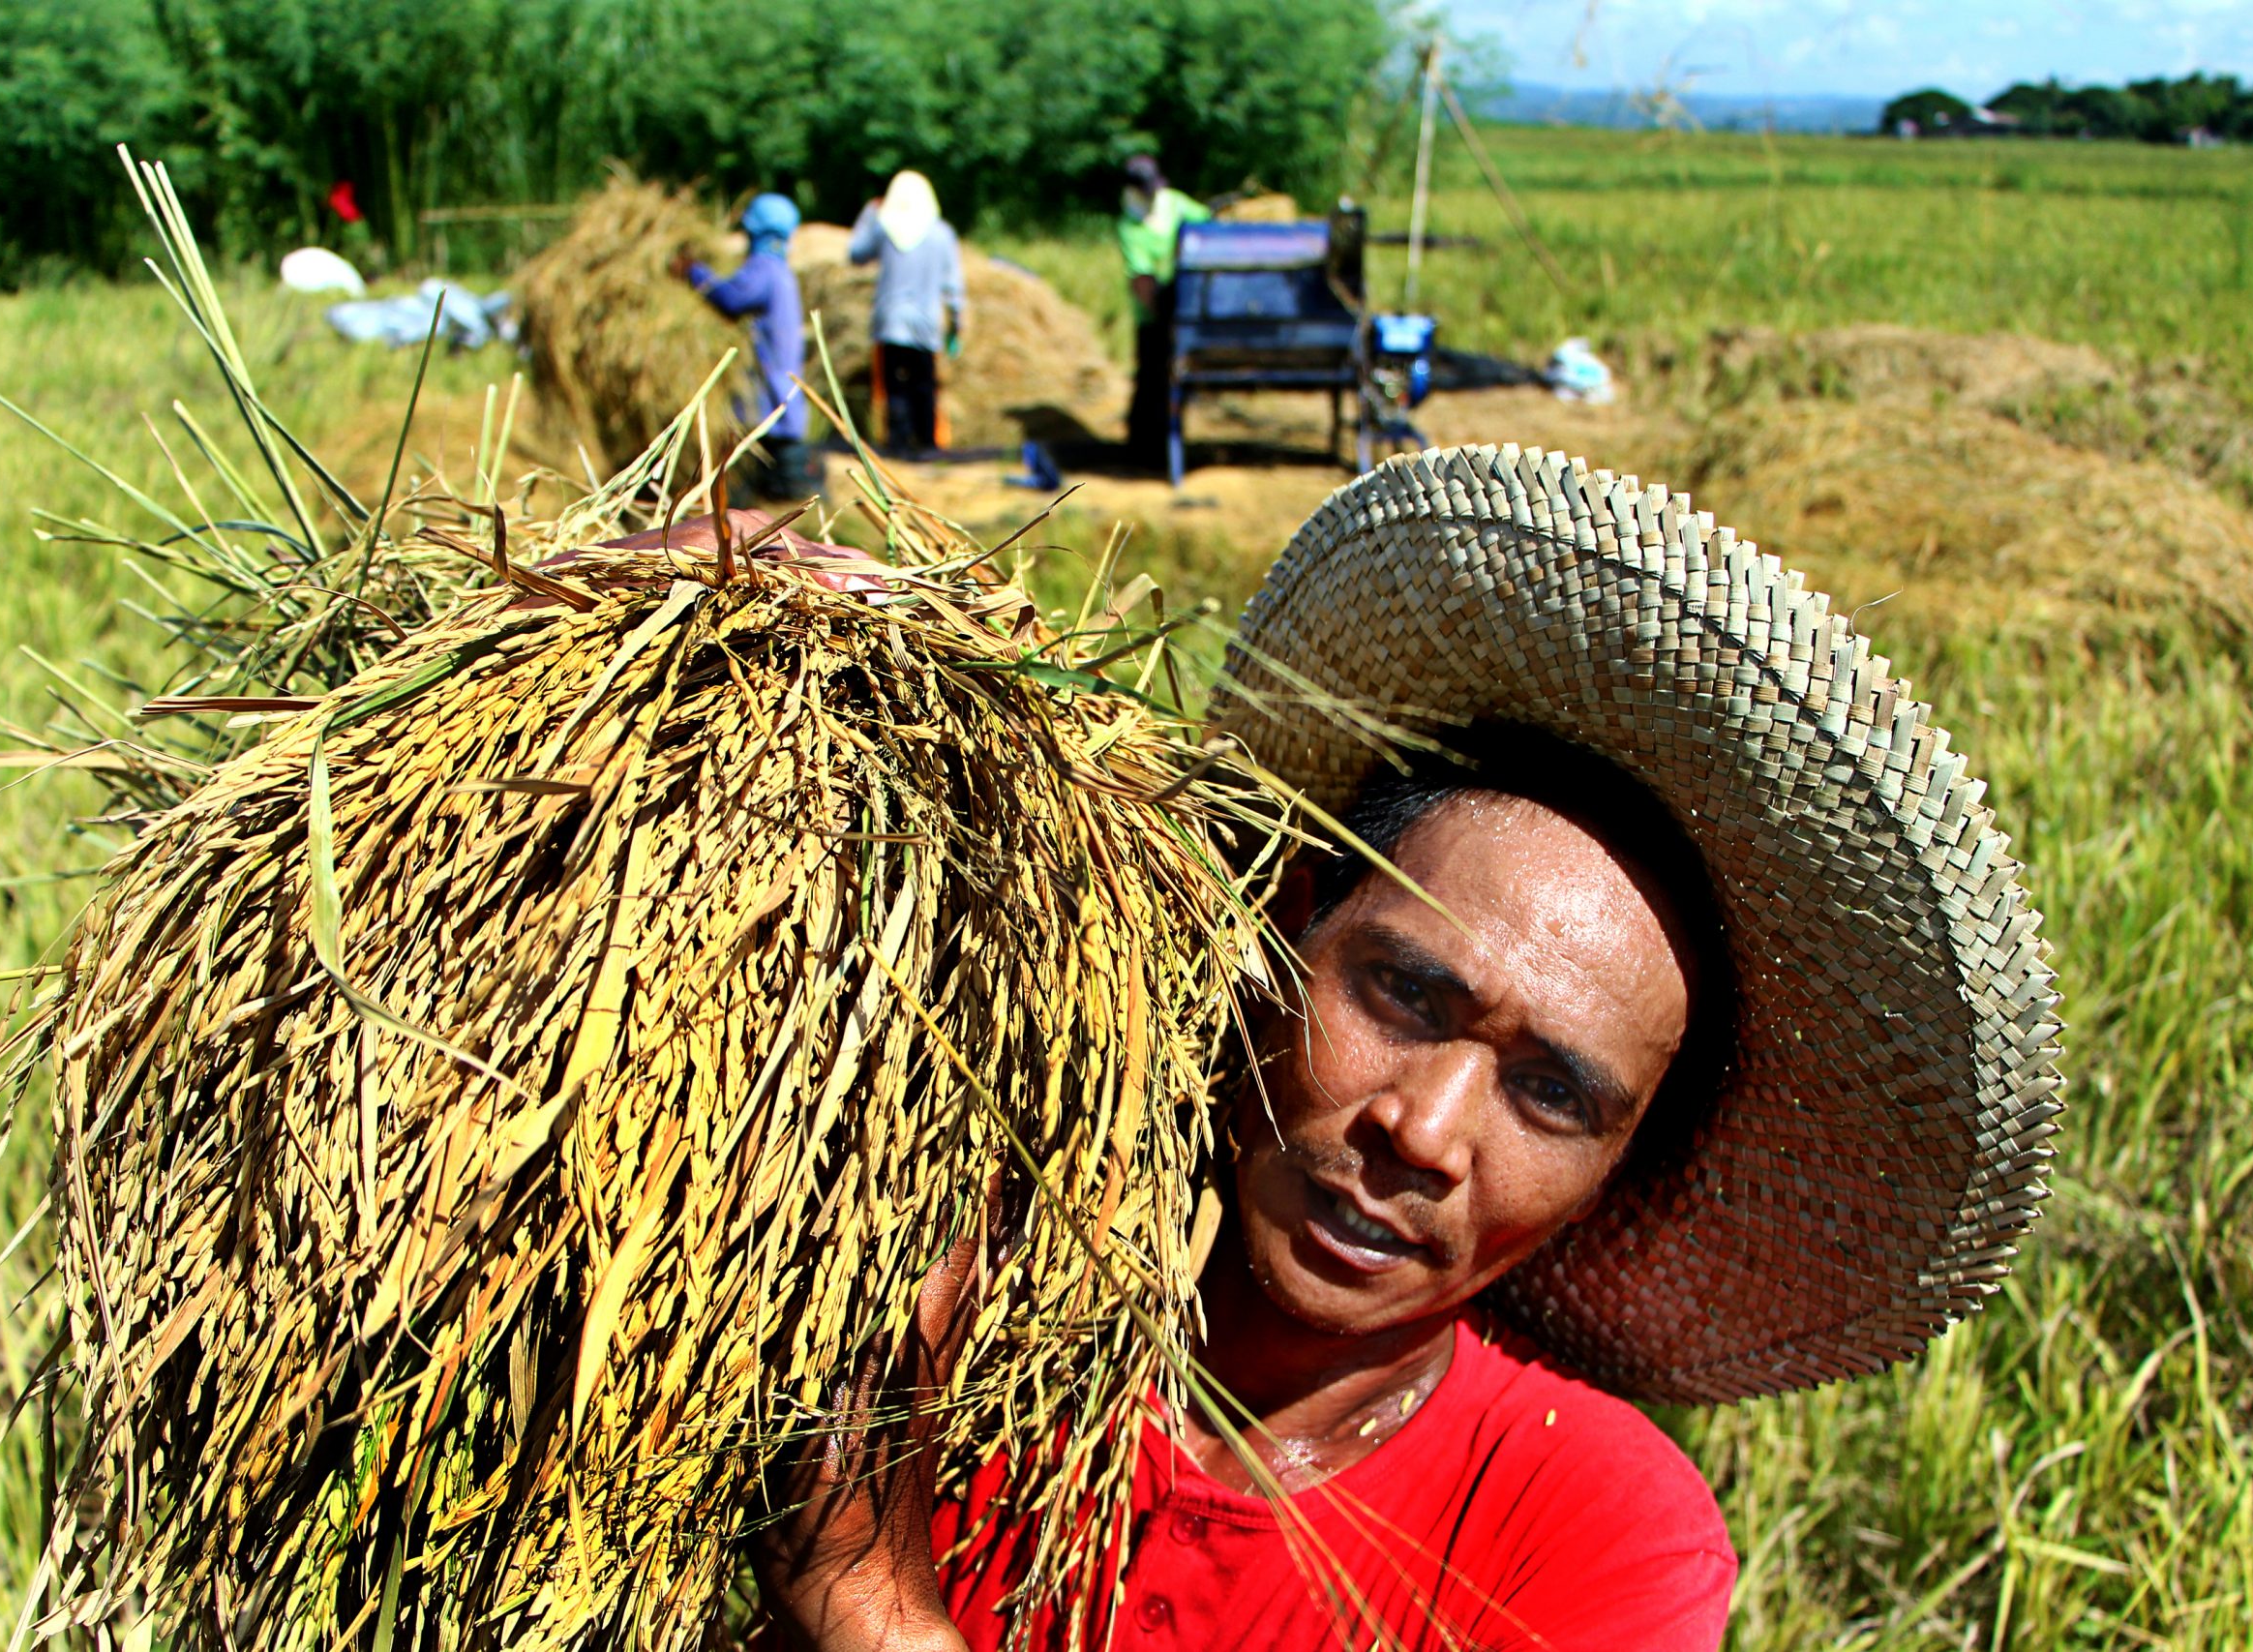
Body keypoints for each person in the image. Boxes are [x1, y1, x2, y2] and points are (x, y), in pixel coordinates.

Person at [744, 445, 2063, 1649]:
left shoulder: (1588, 1533)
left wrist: (868, 1597)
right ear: (1293, 924)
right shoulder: (953, 1267)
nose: (1422, 1131)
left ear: (1623, 1165)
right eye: (1406, 995)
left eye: (1551, 1091)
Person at [679, 192, 821, 499]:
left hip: (769, 411)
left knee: (766, 500)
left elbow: (732, 299)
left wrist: (693, 271)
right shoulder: (781, 272)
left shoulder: (764, 269)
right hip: (783, 407)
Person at [849, 170, 967, 460]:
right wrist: (956, 326)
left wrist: (869, 215)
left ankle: (898, 446)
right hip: (926, 326)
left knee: (895, 388)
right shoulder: (942, 233)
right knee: (924, 387)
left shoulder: (884, 229)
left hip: (890, 323)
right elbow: (952, 286)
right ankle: (926, 447)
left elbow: (855, 254)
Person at [1117, 155, 1211, 468]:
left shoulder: (1173, 203)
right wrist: (1163, 321)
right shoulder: (1131, 226)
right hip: (1154, 310)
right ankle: (1144, 452)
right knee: (1152, 378)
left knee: (1171, 378)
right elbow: (1142, 282)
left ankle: (1168, 442)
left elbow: (1206, 221)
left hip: (1183, 297)